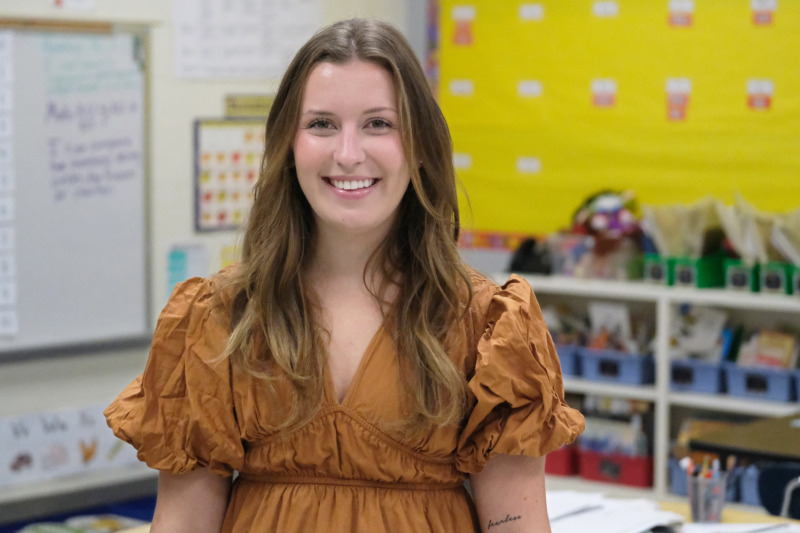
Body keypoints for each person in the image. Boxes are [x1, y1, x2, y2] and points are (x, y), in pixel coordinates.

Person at [105, 18, 584, 533]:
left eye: (379, 124)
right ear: (288, 144)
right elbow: (184, 520)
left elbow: (514, 526)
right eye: (321, 124)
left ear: (419, 145)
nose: (349, 153)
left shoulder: (490, 326)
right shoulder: (218, 317)